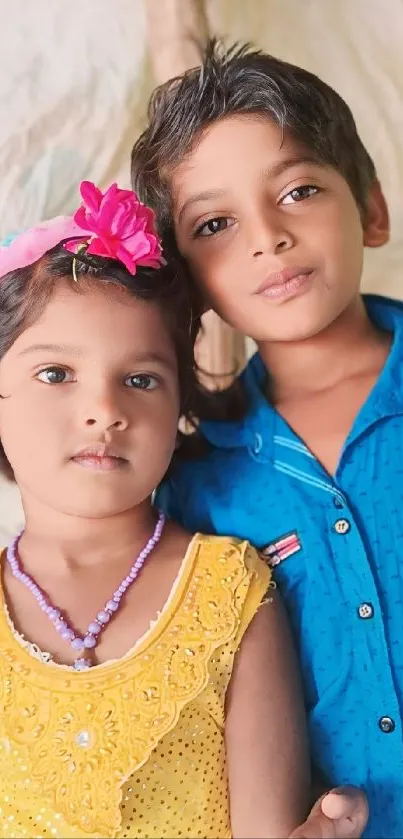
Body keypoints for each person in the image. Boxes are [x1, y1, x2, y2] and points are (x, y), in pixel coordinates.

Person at [130, 39, 399, 838]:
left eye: (298, 190)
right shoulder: (196, 480)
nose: (265, 237)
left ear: (372, 210)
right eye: (214, 222)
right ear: (189, 282)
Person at [0, 179, 313, 838]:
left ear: (179, 412)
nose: (105, 411)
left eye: (141, 380)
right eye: (56, 374)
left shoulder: (229, 588)